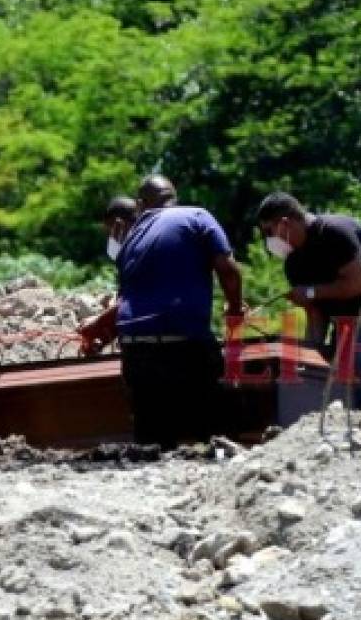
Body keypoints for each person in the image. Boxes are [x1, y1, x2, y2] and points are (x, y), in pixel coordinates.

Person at [77, 177, 245, 448]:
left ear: (141, 205)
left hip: (137, 353)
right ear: (173, 196)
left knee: (151, 443)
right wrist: (235, 310)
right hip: (186, 348)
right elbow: (228, 270)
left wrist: (102, 334)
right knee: (215, 431)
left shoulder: (131, 239)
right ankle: (220, 466)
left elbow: (129, 302)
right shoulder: (198, 217)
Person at [255, 192, 361, 409]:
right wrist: (310, 353)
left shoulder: (335, 232)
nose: (268, 240)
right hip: (345, 329)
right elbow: (315, 314)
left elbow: (358, 284)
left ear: (285, 224)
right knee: (323, 382)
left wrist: (309, 293)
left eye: (268, 232)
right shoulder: (294, 263)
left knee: (355, 381)